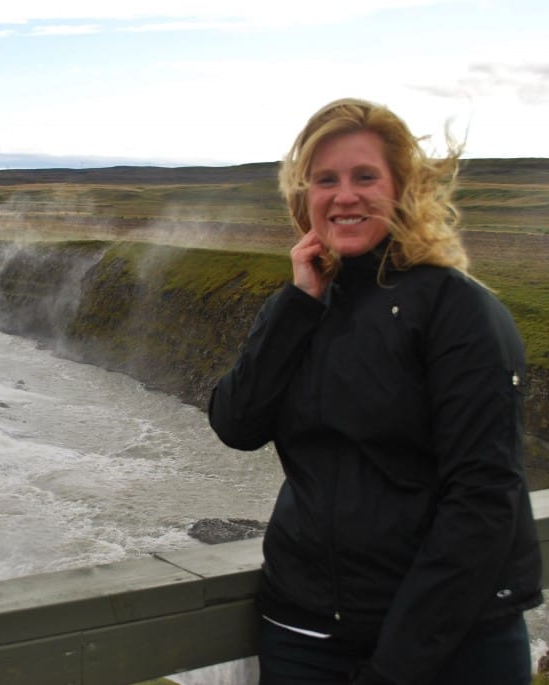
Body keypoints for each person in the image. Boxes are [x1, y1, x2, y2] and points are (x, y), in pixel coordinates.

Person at [208, 98, 542, 684]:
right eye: (325, 180)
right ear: (303, 195)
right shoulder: (302, 305)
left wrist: (393, 671)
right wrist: (297, 304)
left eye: (365, 177)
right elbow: (237, 424)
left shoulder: (457, 311)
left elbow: (482, 499)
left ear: (402, 190)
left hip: (450, 645)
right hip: (306, 632)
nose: (345, 196)